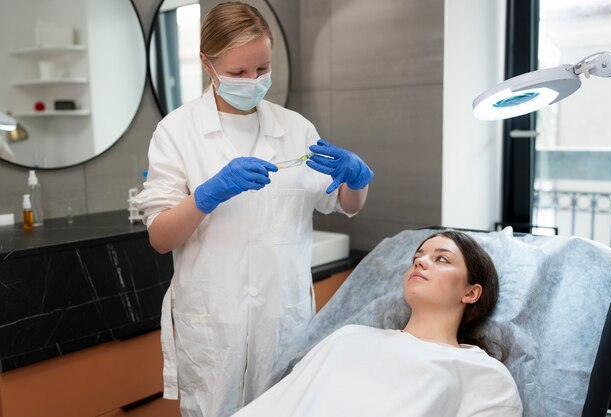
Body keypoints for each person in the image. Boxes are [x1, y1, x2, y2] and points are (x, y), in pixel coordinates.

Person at [134, 2, 373, 417]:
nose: (253, 81)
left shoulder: (295, 128)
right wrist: (207, 194)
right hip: (214, 326)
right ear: (207, 64)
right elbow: (161, 236)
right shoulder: (176, 131)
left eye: (262, 69)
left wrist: (359, 179)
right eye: (239, 73)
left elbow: (344, 204)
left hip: (281, 320)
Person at [230, 231, 523, 417]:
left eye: (441, 259)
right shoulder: (347, 339)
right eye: (417, 257)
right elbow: (277, 406)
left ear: (471, 292)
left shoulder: (483, 375)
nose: (420, 262)